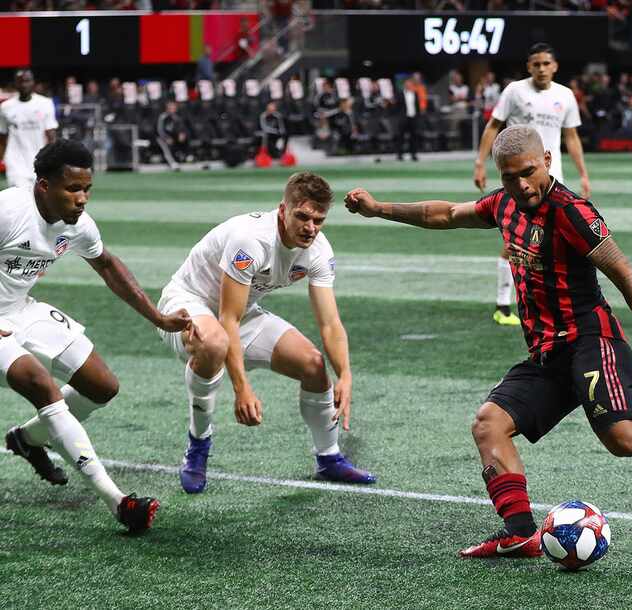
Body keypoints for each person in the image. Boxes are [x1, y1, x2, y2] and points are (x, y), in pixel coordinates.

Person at [345, 124, 632, 559]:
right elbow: (442, 214)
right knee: (489, 423)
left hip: (590, 341)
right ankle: (520, 534)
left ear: (546, 160)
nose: (520, 185)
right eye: (509, 177)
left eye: (527, 172)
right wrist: (378, 208)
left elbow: (626, 276)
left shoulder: (572, 212)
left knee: (627, 439)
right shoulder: (503, 205)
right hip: (547, 353)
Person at [1, 139, 191, 533]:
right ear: (44, 187)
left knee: (101, 386)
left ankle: (27, 439)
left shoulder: (78, 224)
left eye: (87, 189)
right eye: (73, 189)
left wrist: (158, 317)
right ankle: (119, 502)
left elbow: (106, 265)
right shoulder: (8, 210)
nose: (82, 198)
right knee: (41, 384)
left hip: (22, 309)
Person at [156, 171, 376, 495]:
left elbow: (330, 323)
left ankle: (329, 458)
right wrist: (242, 388)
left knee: (314, 365)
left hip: (241, 312)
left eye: (319, 220)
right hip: (187, 305)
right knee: (215, 342)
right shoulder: (252, 239)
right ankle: (198, 445)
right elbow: (226, 319)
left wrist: (345, 374)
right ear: (282, 209)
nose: (310, 228)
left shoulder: (318, 250)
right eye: (302, 216)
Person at [474, 43, 591, 327]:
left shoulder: (565, 96)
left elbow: (571, 137)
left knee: (552, 241)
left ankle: (548, 300)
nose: (541, 69)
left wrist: (583, 174)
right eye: (535, 64)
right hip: (521, 182)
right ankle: (503, 304)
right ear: (529, 67)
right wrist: (480, 162)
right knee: (517, 240)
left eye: (545, 64)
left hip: (554, 180)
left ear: (555, 66)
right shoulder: (515, 91)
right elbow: (493, 126)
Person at [0, 70, 58, 190]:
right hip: (15, 164)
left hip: (39, 162)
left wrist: (53, 161)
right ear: (15, 84)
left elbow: (51, 136)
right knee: (20, 199)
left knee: (37, 202)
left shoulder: (45, 104)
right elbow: (2, 138)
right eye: (20, 81)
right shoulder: (5, 107)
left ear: (33, 83)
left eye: (27, 81)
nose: (24, 84)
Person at [395, 77, 421, 161]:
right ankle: (400, 155)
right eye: (407, 84)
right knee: (401, 137)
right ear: (404, 85)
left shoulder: (415, 94)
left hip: (413, 118)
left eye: (410, 84)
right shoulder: (400, 94)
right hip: (403, 119)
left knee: (413, 137)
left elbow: (417, 107)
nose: (408, 85)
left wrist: (417, 117)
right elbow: (397, 107)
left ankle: (413, 155)